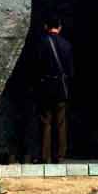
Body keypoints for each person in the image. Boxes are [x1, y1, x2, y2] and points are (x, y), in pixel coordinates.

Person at [35, 18, 73, 163]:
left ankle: (45, 156)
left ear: (46, 26)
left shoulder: (41, 43)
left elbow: (36, 66)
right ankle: (60, 155)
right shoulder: (67, 45)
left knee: (46, 121)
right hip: (61, 88)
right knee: (61, 122)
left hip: (45, 87)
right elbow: (70, 70)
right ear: (60, 27)